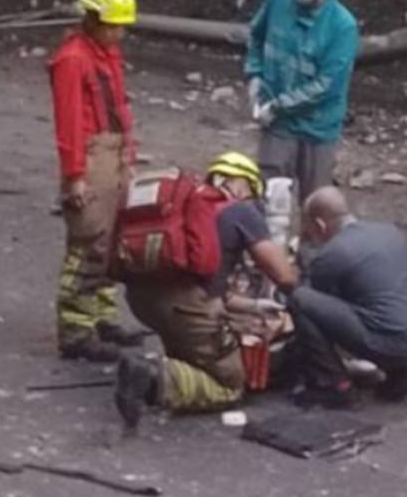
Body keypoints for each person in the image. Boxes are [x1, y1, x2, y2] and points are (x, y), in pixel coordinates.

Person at [114, 152, 300, 428]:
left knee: (196, 350)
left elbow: (213, 288)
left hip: (142, 300)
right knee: (229, 384)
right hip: (184, 308)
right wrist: (307, 296)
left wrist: (256, 307)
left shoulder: (192, 207)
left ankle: (172, 365)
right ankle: (151, 377)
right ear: (242, 185)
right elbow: (284, 276)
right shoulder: (241, 211)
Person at [49, 0, 145, 363]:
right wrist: (75, 176)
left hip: (113, 154)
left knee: (111, 243)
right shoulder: (73, 59)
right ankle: (75, 328)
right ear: (91, 18)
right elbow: (69, 123)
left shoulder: (106, 54)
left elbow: (120, 109)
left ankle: (102, 317)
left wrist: (129, 158)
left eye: (121, 26)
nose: (118, 33)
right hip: (91, 158)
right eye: (112, 25)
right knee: (88, 243)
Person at [284, 187, 407, 407]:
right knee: (383, 305)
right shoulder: (388, 232)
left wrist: (305, 249)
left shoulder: (332, 254)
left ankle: (334, 385)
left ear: (320, 225)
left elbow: (318, 304)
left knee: (300, 299)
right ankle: (400, 376)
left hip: (389, 341)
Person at [245, 0, 360, 205]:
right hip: (278, 126)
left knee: (315, 205)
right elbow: (256, 37)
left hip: (317, 128)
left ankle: (311, 249)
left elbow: (325, 85)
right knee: (269, 199)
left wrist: (277, 107)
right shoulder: (276, 1)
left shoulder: (343, 27)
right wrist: (254, 76)